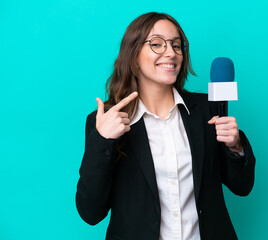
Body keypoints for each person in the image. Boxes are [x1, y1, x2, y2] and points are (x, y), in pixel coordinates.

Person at [76, 12, 256, 240]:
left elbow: (243, 186)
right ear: (133, 54)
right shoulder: (104, 121)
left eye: (176, 45)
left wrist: (235, 146)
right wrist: (103, 141)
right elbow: (90, 212)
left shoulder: (207, 111)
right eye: (157, 44)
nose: (171, 53)